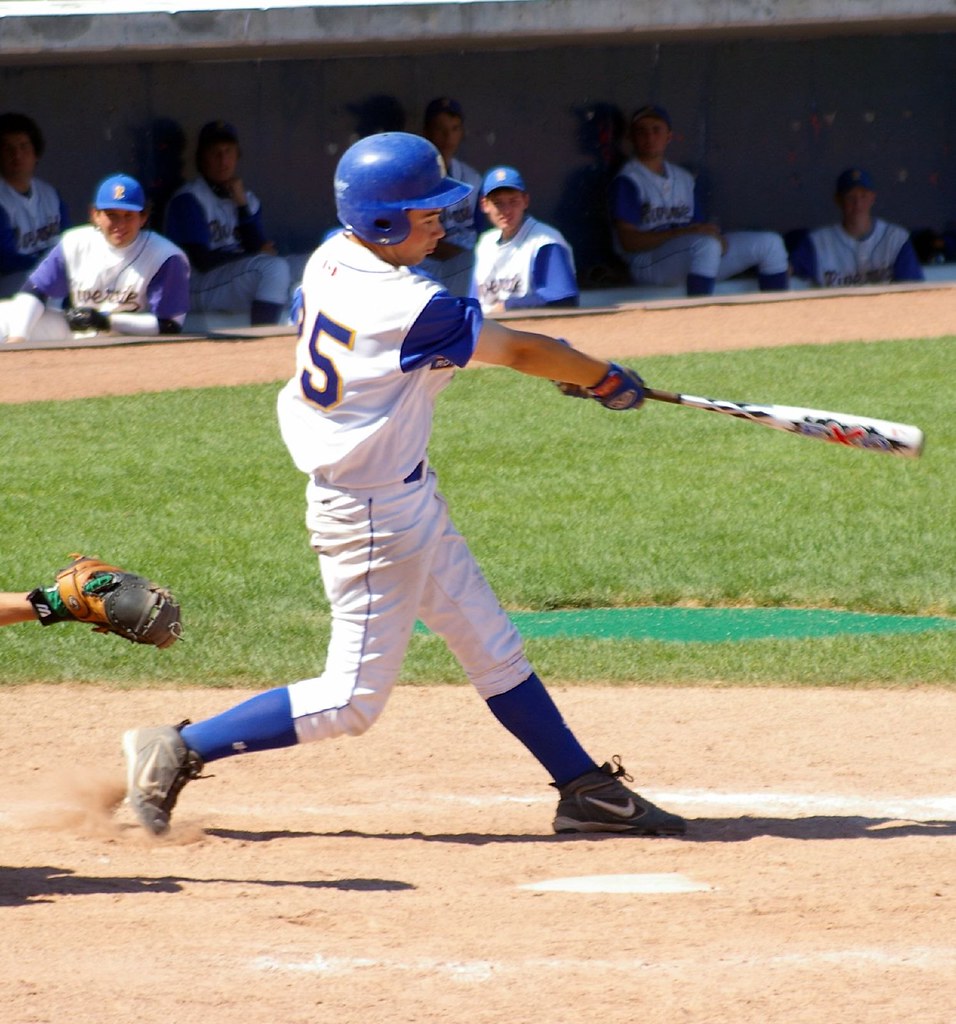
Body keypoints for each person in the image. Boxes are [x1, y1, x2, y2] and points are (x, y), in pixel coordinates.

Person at [120, 131, 686, 840]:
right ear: (383, 220)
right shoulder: (411, 304)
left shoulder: (334, 253)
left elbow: (485, 349)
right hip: (369, 514)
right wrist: (602, 378)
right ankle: (178, 746)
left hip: (399, 495)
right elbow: (514, 349)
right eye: (426, 212)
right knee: (351, 699)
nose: (443, 222)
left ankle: (583, 788)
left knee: (491, 644)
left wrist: (583, 371)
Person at [610, 104, 789, 296]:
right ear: (632, 138)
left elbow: (698, 227)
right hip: (647, 262)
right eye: (642, 131)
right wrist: (686, 233)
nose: (650, 137)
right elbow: (629, 242)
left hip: (690, 255)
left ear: (669, 136)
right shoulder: (628, 180)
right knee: (706, 245)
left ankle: (778, 316)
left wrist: (713, 235)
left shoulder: (684, 179)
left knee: (770, 243)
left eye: (656, 130)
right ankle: (700, 316)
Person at [0, 173, 189, 345]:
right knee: (6, 314)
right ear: (95, 215)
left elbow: (170, 325)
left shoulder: (166, 256)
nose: (120, 224)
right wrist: (19, 337)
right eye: (111, 215)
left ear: (143, 217)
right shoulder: (75, 243)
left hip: (134, 341)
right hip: (79, 332)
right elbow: (34, 292)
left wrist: (106, 321)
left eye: (128, 215)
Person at [164, 120, 291, 325]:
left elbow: (258, 246)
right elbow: (202, 262)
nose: (223, 160)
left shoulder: (246, 198)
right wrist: (254, 254)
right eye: (215, 153)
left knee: (303, 266)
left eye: (228, 151)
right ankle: (265, 342)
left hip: (231, 276)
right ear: (202, 159)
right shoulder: (189, 199)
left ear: (237, 155)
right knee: (274, 269)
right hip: (196, 285)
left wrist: (241, 206)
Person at [789, 168, 924, 287]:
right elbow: (785, 272)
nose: (857, 203)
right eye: (850, 197)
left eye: (863, 196)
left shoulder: (896, 238)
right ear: (838, 200)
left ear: (873, 198)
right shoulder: (817, 242)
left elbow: (912, 290)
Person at [471, 165, 579, 313]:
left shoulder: (545, 241)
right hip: (491, 331)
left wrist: (507, 307)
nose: (507, 210)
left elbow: (563, 300)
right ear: (485, 205)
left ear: (525, 201)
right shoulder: (485, 243)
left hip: (531, 331)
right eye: (498, 203)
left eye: (513, 201)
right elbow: (474, 299)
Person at [414, 96, 483, 296]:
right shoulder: (413, 180)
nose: (448, 137)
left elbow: (482, 232)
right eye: (440, 129)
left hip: (466, 267)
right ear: (426, 132)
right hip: (424, 267)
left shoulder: (472, 178)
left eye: (454, 129)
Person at [0, 112, 69, 298]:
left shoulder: (50, 194)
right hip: (10, 291)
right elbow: (5, 260)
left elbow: (68, 242)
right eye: (8, 149)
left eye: (24, 147)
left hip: (52, 288)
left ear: (35, 153)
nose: (17, 155)